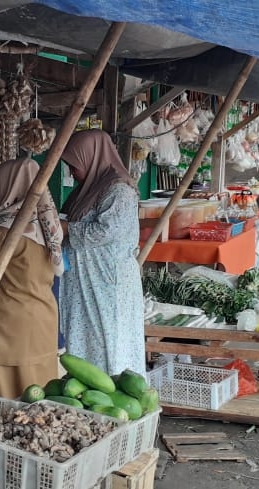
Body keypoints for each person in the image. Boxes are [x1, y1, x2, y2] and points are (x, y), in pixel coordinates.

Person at [0, 157, 64, 398]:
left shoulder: (4, 227)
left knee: (2, 400)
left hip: (8, 328)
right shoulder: (48, 223)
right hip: (43, 321)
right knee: (38, 398)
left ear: (7, 186)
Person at [58, 129, 146, 376]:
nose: (71, 173)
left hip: (107, 284)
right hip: (85, 283)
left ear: (91, 157)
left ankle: (115, 391)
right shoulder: (87, 190)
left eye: (74, 166)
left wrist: (66, 228)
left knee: (109, 340)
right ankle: (86, 391)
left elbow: (107, 231)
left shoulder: (118, 191)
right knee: (85, 342)